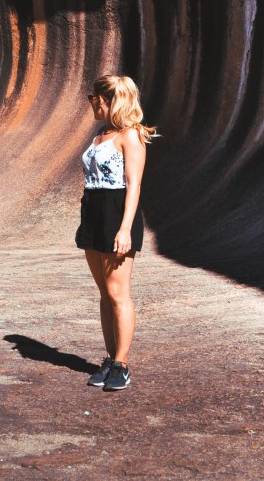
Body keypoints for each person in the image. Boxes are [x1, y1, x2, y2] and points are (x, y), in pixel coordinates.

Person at [77, 74, 159, 391]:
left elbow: (134, 186)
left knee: (117, 293)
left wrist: (125, 229)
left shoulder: (131, 135)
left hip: (116, 214)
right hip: (93, 212)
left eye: (93, 99)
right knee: (104, 293)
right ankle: (111, 358)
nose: (91, 104)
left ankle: (122, 365)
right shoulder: (101, 134)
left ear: (108, 100)